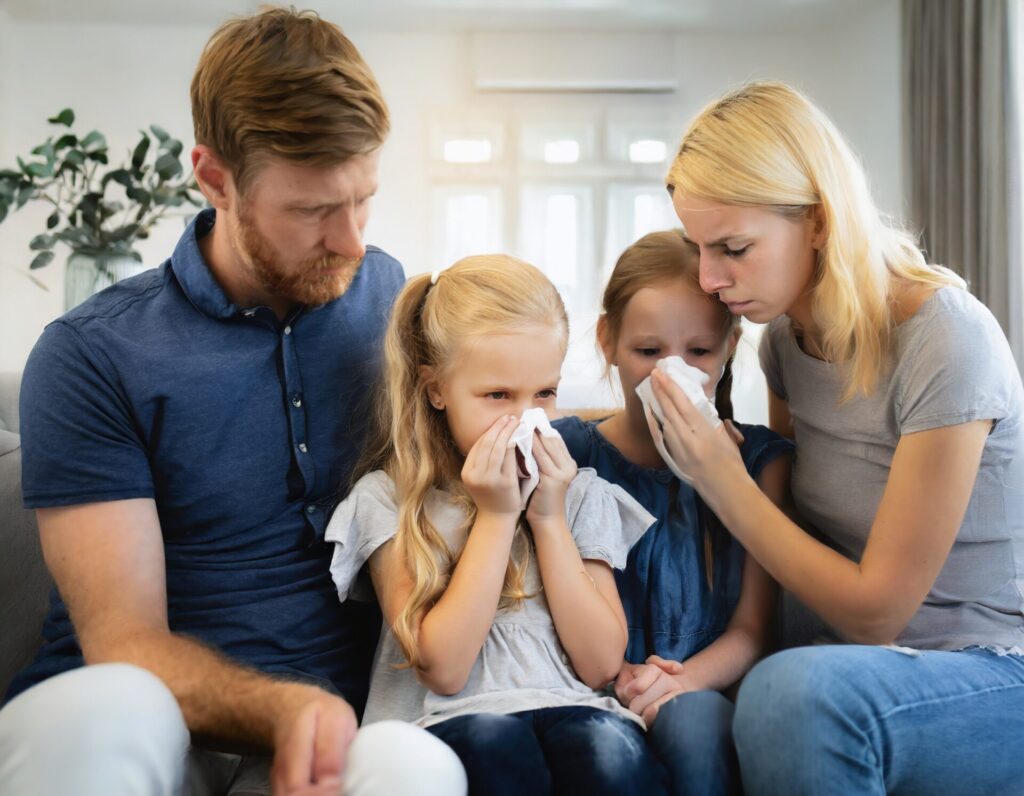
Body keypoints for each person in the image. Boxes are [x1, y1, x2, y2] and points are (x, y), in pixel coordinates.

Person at [0, 8, 465, 796]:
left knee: (418, 766)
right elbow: (124, 642)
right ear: (214, 179)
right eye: (314, 211)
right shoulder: (92, 354)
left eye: (365, 200)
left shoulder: (386, 293)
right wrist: (282, 710)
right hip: (140, 731)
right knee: (112, 707)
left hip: (334, 736)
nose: (352, 240)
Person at [649, 80, 1024, 795]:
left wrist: (721, 479)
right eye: (697, 248)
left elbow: (879, 609)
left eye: (733, 247)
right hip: (856, 661)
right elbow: (789, 533)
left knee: (795, 692)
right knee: (689, 712)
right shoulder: (785, 343)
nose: (709, 277)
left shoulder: (946, 337)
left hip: (989, 666)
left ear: (818, 221)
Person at [324, 255, 671, 796]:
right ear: (436, 389)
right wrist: (497, 515)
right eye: (497, 396)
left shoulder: (578, 495)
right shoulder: (390, 501)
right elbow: (443, 668)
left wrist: (549, 517)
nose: (527, 418)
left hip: (574, 708)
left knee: (605, 751)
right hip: (446, 720)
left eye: (545, 394)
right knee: (496, 747)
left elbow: (601, 664)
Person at [553, 230, 792, 795]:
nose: (670, 374)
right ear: (608, 340)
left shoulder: (761, 465)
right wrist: (621, 686)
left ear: (730, 345)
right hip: (585, 687)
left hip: (701, 689)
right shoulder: (567, 455)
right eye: (648, 351)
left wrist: (677, 684)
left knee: (694, 724)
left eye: (699, 353)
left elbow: (752, 630)